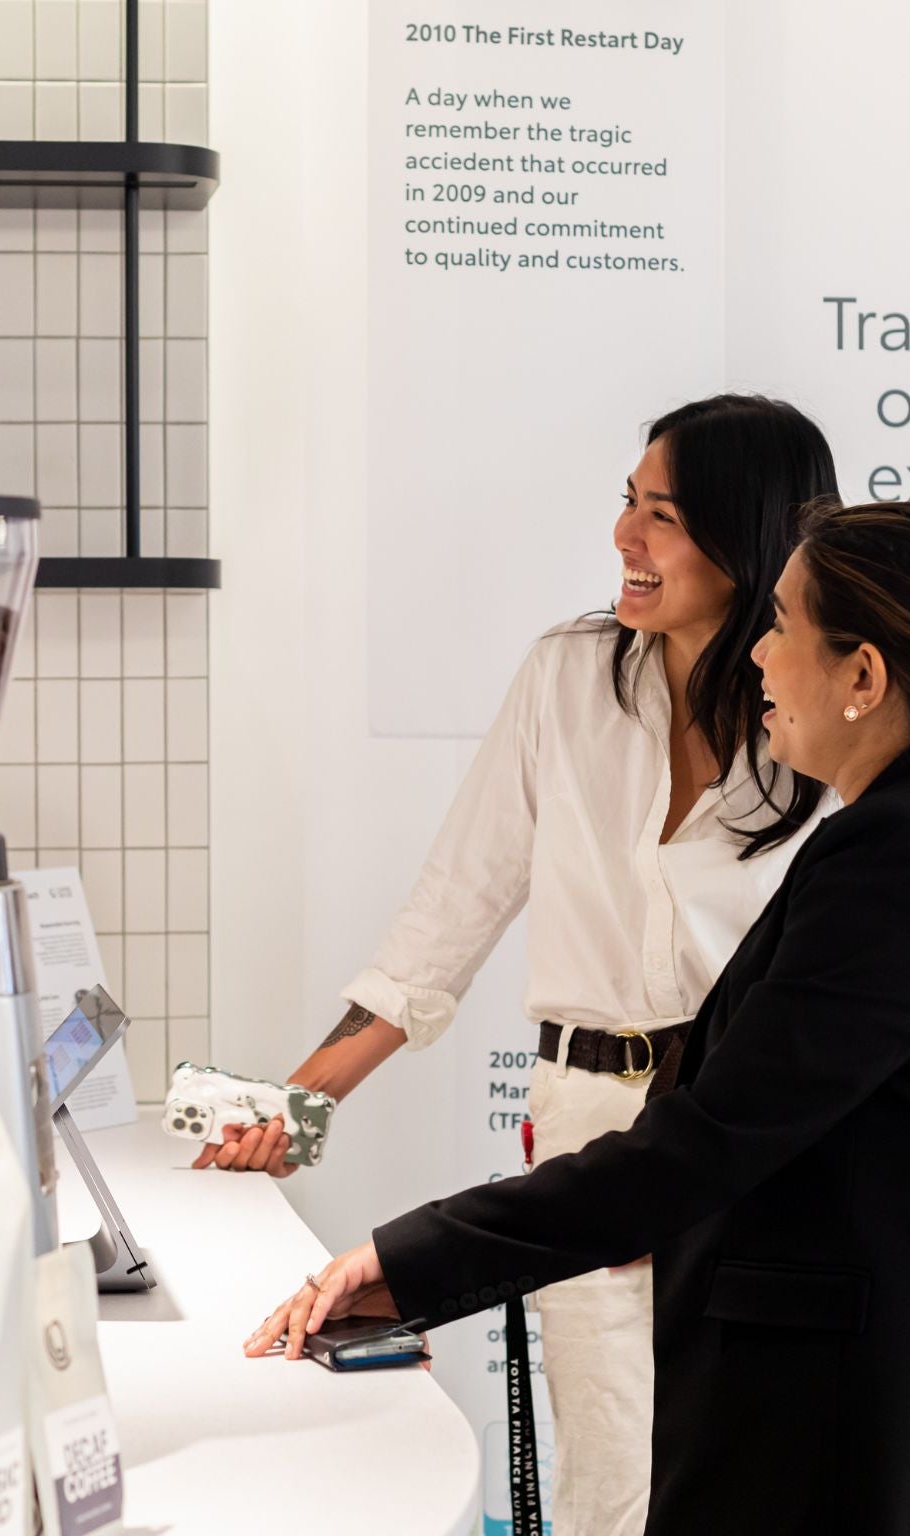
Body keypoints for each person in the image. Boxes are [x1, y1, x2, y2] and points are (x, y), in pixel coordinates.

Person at [254, 498, 910, 1534]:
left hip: (870, 1433)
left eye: (782, 626)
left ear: (863, 678)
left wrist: (412, 1260)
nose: (758, 658)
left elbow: (705, 1144)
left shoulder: (900, 859)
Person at [204, 394, 838, 1534]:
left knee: (768, 1470)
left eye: (661, 516)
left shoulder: (825, 718)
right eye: (625, 505)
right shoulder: (567, 678)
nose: (622, 541)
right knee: (613, 1490)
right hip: (594, 1132)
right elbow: (451, 911)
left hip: (760, 1146)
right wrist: (297, 1105)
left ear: (744, 541)